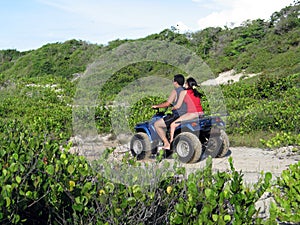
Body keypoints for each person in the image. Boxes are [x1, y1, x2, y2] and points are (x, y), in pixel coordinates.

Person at [152, 74, 187, 150]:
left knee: (156, 124)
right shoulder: (186, 90)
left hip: (177, 115)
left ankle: (166, 143)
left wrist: (156, 106)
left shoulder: (176, 91)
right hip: (186, 114)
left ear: (176, 82)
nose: (173, 83)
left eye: (173, 81)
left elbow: (167, 104)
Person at [169, 77, 204, 144]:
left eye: (185, 83)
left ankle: (171, 143)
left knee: (173, 125)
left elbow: (178, 106)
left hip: (192, 114)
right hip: (201, 113)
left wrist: (172, 108)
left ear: (187, 84)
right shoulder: (196, 93)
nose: (184, 85)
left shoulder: (184, 92)